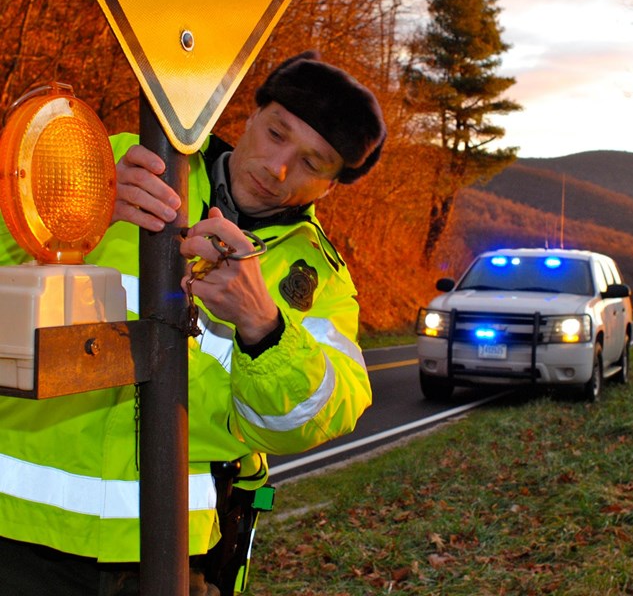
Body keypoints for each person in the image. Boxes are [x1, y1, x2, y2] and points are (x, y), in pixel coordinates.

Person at [0, 51, 386, 595]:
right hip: (16, 533)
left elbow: (316, 416)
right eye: (277, 133)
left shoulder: (320, 282)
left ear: (333, 185)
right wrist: (74, 214)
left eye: (312, 163)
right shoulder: (115, 163)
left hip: (173, 555)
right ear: (248, 116)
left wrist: (264, 326)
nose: (278, 169)